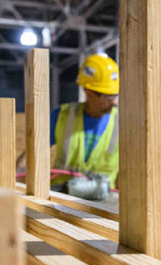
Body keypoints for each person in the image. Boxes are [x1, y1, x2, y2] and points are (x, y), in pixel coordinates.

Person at [49, 53, 119, 195]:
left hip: (104, 203)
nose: (115, 102)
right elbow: (30, 156)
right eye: (109, 97)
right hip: (61, 198)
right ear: (89, 93)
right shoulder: (61, 116)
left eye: (115, 95)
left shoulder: (123, 122)